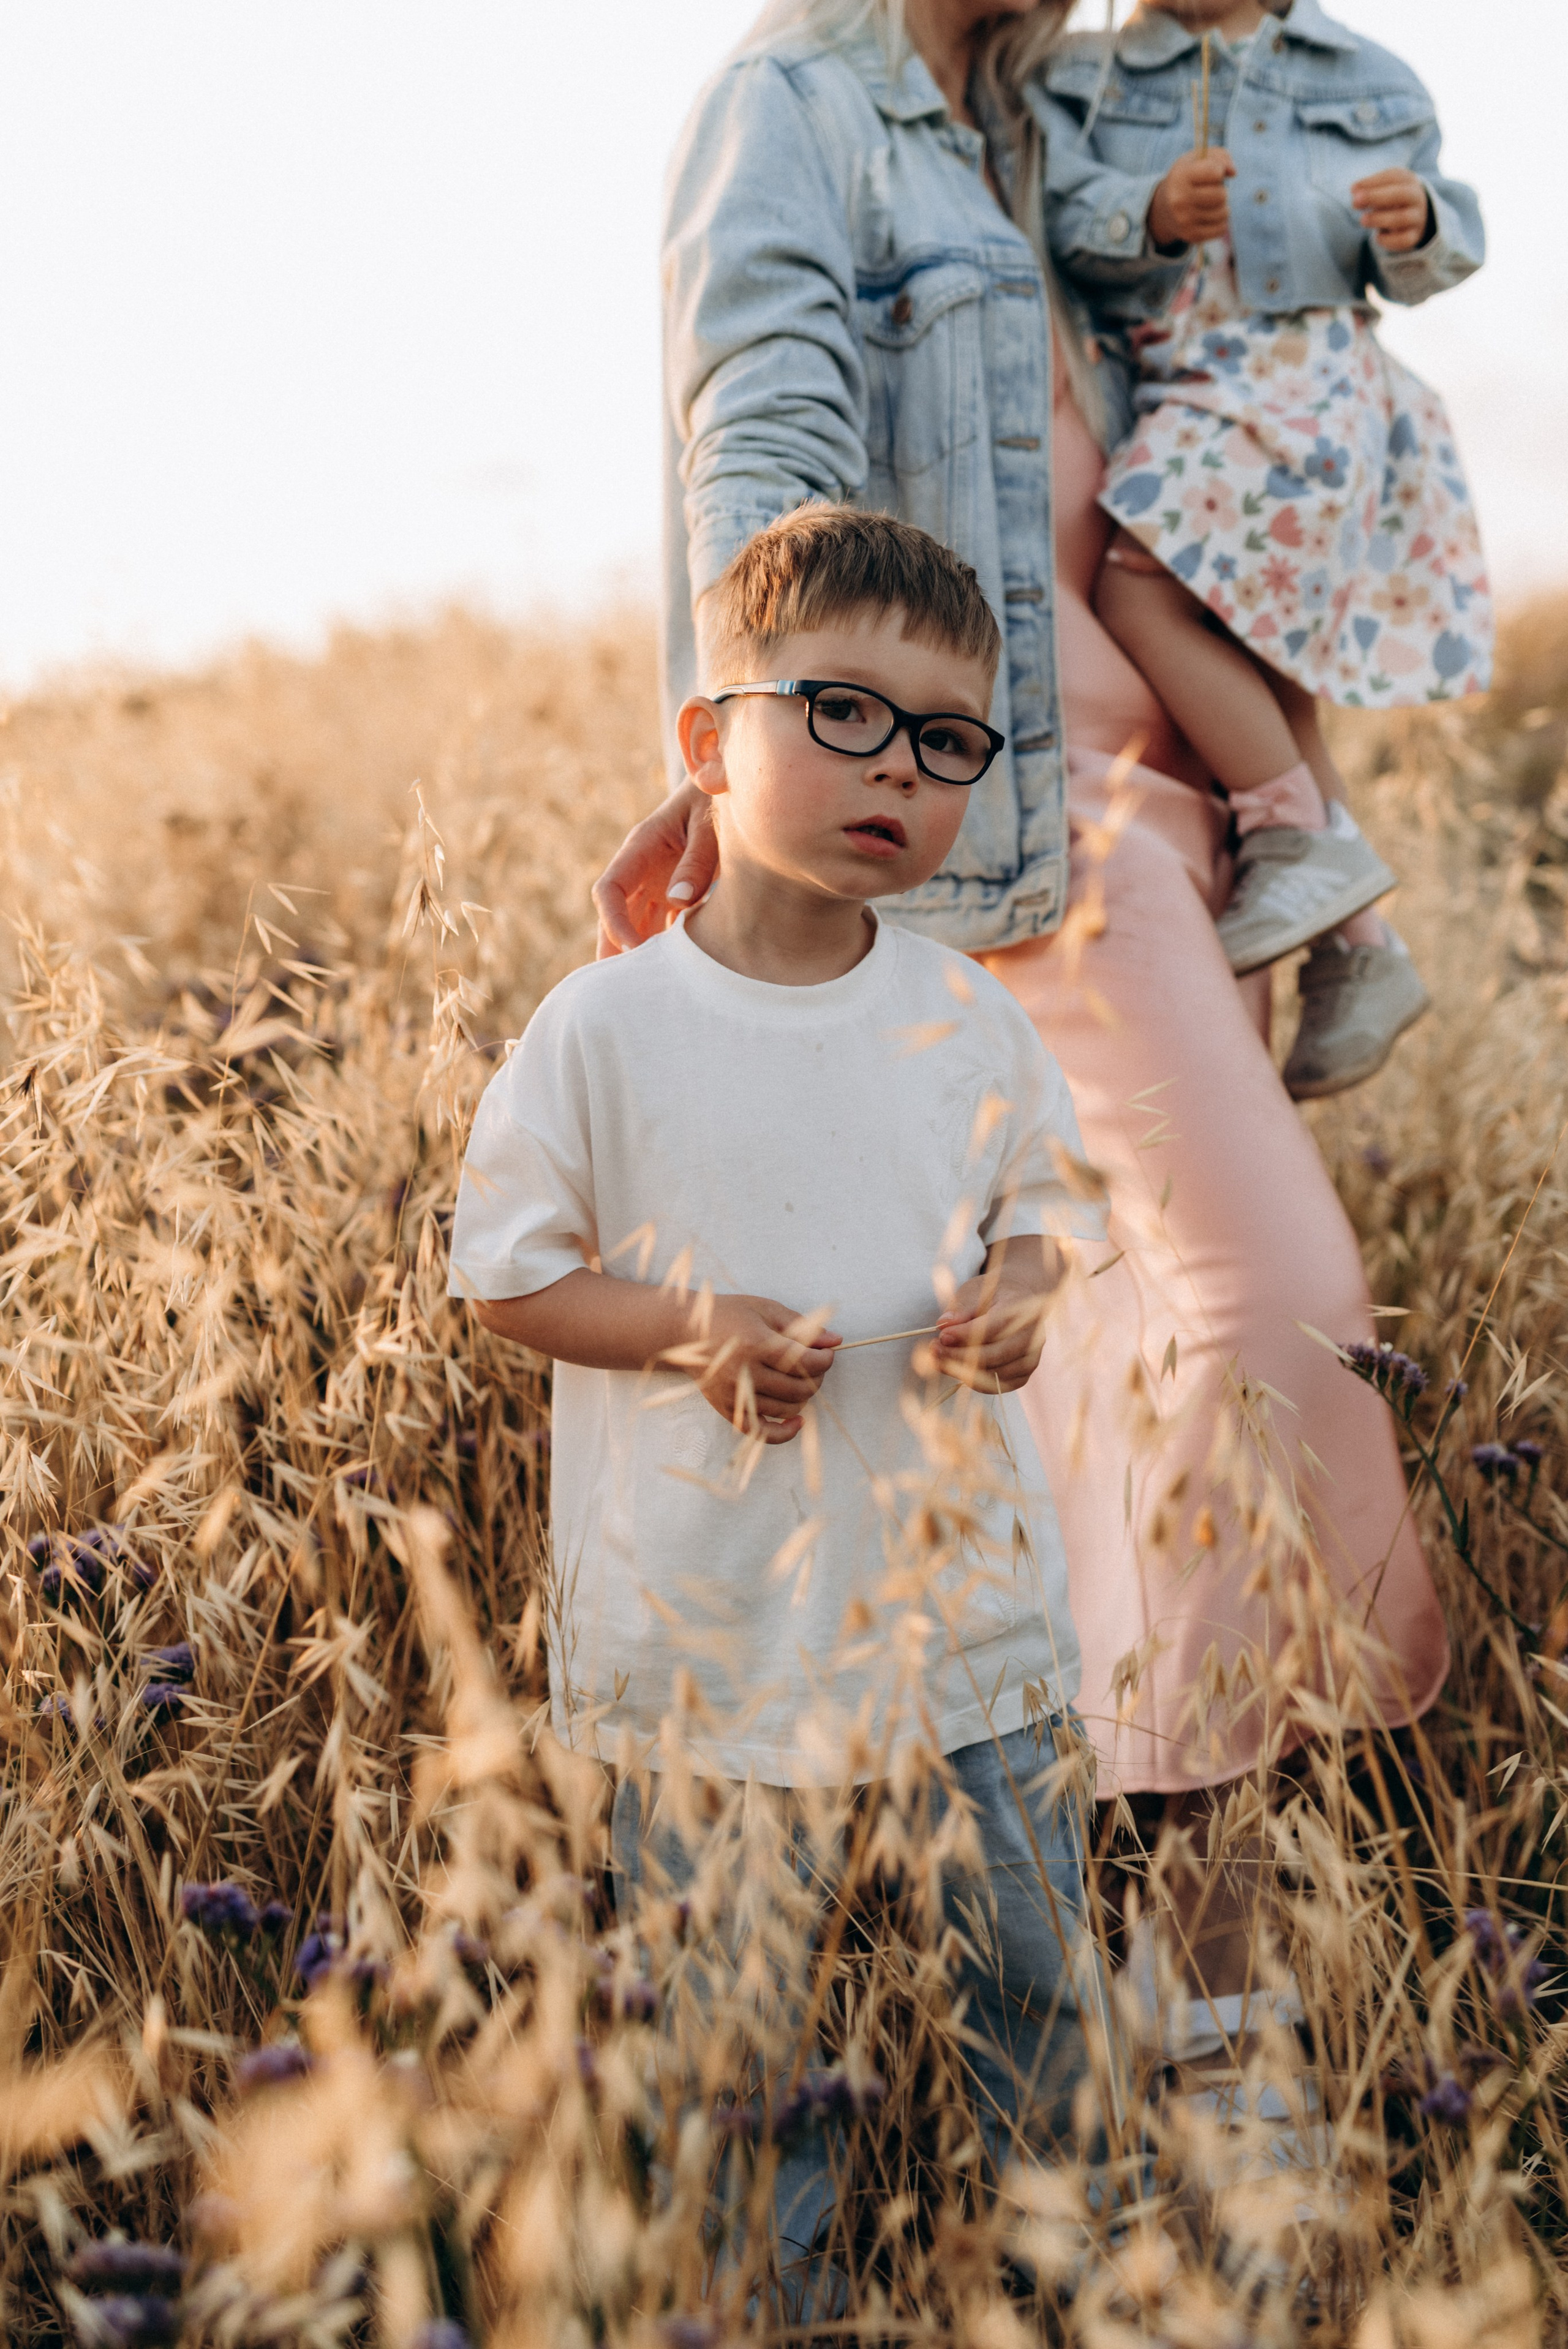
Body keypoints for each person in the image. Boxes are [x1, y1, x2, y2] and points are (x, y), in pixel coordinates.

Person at [593, 0, 1449, 2146]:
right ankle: (1221, 1999)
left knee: (1136, 1383)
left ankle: (1133, 2010)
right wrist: (781, 797)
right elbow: (763, 463)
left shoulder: (1050, 117)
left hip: (1164, 821)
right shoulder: (796, 110)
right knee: (1278, 1335)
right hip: (1008, 850)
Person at [450, 507, 1115, 2293]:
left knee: (1041, 1976)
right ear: (703, 740)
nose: (896, 764)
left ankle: (1074, 2274)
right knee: (737, 2046)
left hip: (960, 1603)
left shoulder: (965, 1015)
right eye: (841, 708)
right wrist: (692, 1325)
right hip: (714, 1626)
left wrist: (1025, 1288)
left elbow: (1055, 1203)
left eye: (946, 738)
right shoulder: (605, 1029)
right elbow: (506, 1271)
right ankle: (768, 2298)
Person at [1041, 0, 1490, 1096]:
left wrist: (1420, 224)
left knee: (1137, 595)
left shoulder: (1359, 75)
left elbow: (1445, 243)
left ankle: (1298, 840)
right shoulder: (1092, 74)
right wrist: (1143, 210)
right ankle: (1361, 951)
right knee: (1264, 669)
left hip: (1294, 384)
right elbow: (1057, 205)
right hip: (1186, 383)